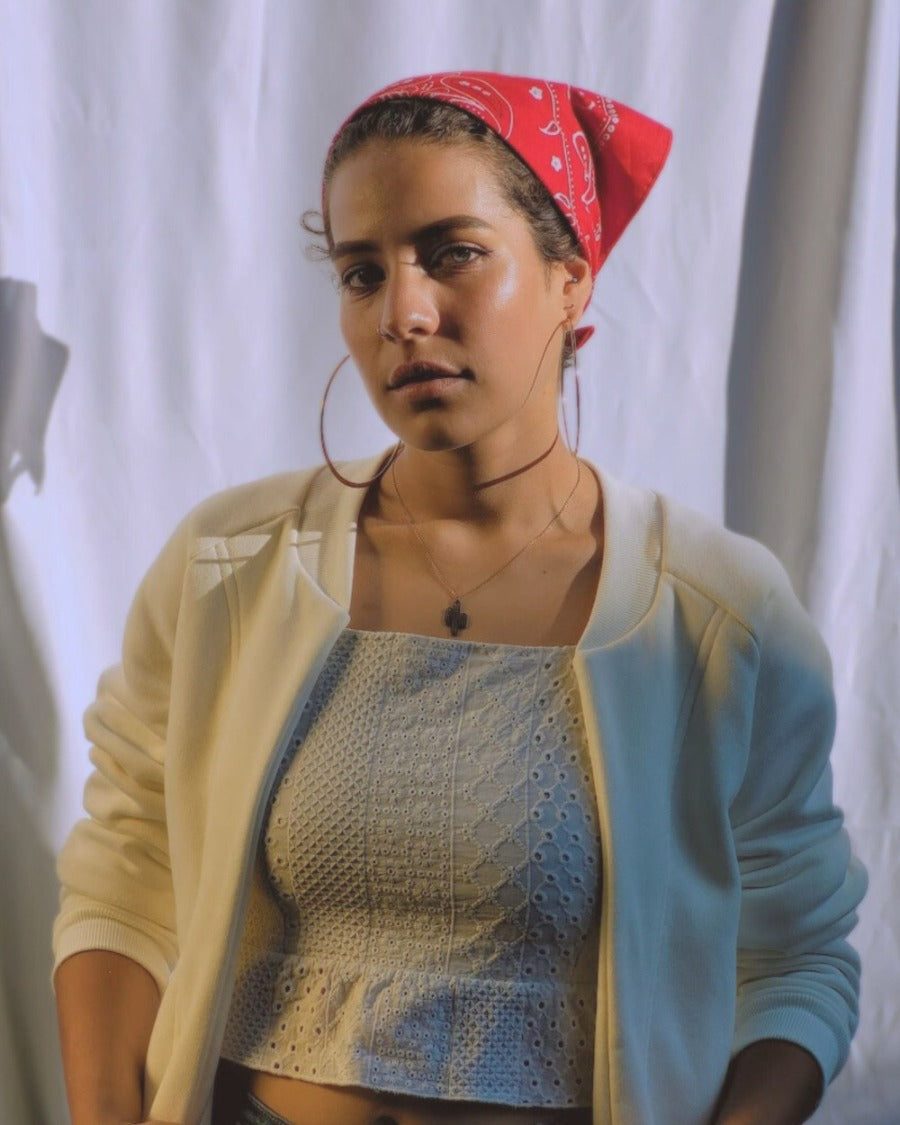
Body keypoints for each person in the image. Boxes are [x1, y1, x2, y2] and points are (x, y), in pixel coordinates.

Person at [52, 71, 866, 1125]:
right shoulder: (229, 567)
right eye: (360, 272)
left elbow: (794, 959)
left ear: (571, 281)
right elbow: (128, 879)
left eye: (452, 254)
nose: (403, 312)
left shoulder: (715, 615)